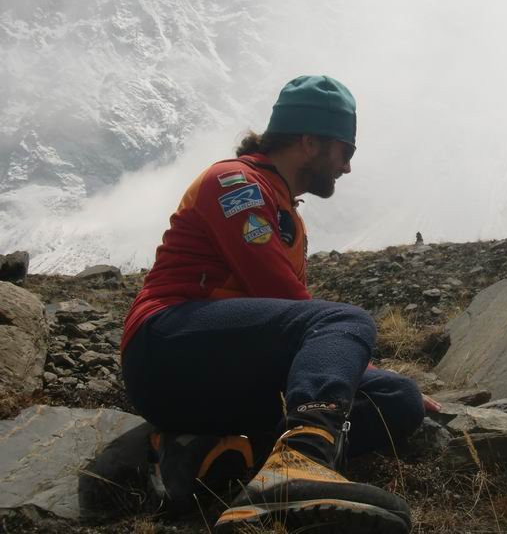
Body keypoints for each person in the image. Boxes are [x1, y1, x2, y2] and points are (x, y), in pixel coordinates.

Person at [121, 75, 426, 533]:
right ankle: (298, 465)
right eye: (346, 150)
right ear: (309, 141)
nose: (346, 167)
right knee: (345, 320)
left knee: (398, 400)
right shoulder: (233, 182)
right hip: (165, 346)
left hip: (223, 370)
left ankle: (217, 455)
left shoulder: (287, 212)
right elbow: (279, 295)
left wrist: (361, 375)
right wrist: (351, 358)